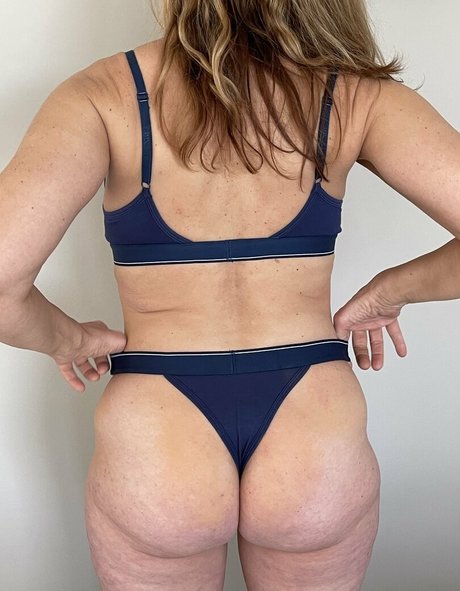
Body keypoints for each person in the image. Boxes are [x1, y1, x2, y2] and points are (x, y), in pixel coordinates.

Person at [0, 1, 459, 589]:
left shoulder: (101, 95)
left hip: (159, 433)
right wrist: (390, 292)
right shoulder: (356, 97)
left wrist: (70, 340)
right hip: (312, 430)